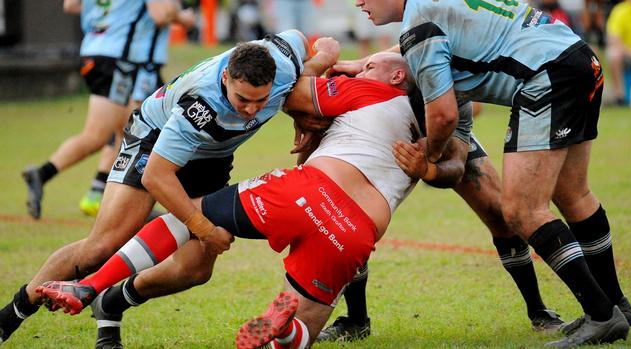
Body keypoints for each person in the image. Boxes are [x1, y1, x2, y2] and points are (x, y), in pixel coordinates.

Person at [37, 52, 465, 348]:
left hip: (306, 193)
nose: (359, 68)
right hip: (355, 235)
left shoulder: (370, 91)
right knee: (305, 331)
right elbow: (456, 165)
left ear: (396, 77)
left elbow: (292, 90)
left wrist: (333, 74)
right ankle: (284, 334)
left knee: (190, 215)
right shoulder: (436, 133)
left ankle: (90, 285)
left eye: (370, 64)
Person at [0, 29, 337, 346]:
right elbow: (157, 177)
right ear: (225, 79)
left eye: (259, 100)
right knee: (101, 247)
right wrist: (203, 227)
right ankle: (9, 317)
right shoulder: (200, 105)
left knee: (195, 270)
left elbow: (328, 49)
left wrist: (298, 109)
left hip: (213, 155)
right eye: (242, 99)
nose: (250, 109)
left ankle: (111, 301)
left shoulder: (283, 61)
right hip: (154, 142)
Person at [347, 0, 631, 347]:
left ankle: (601, 315)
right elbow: (424, 40)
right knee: (573, 195)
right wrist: (367, 62)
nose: (357, 0)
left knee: (520, 210)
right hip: (578, 60)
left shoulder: (419, 21)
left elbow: (443, 115)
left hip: (546, 79)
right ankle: (616, 305)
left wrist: (429, 154)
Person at [317, 135, 564, 342]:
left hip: (440, 125)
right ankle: (356, 321)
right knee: (350, 218)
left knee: (500, 216)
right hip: (375, 127)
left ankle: (539, 310)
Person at [22, 0, 194, 220]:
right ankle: (44, 174)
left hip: (96, 51)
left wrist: (111, 16)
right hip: (122, 58)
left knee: (128, 131)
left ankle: (106, 195)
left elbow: (70, 3)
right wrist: (182, 17)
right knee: (111, 134)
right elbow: (160, 14)